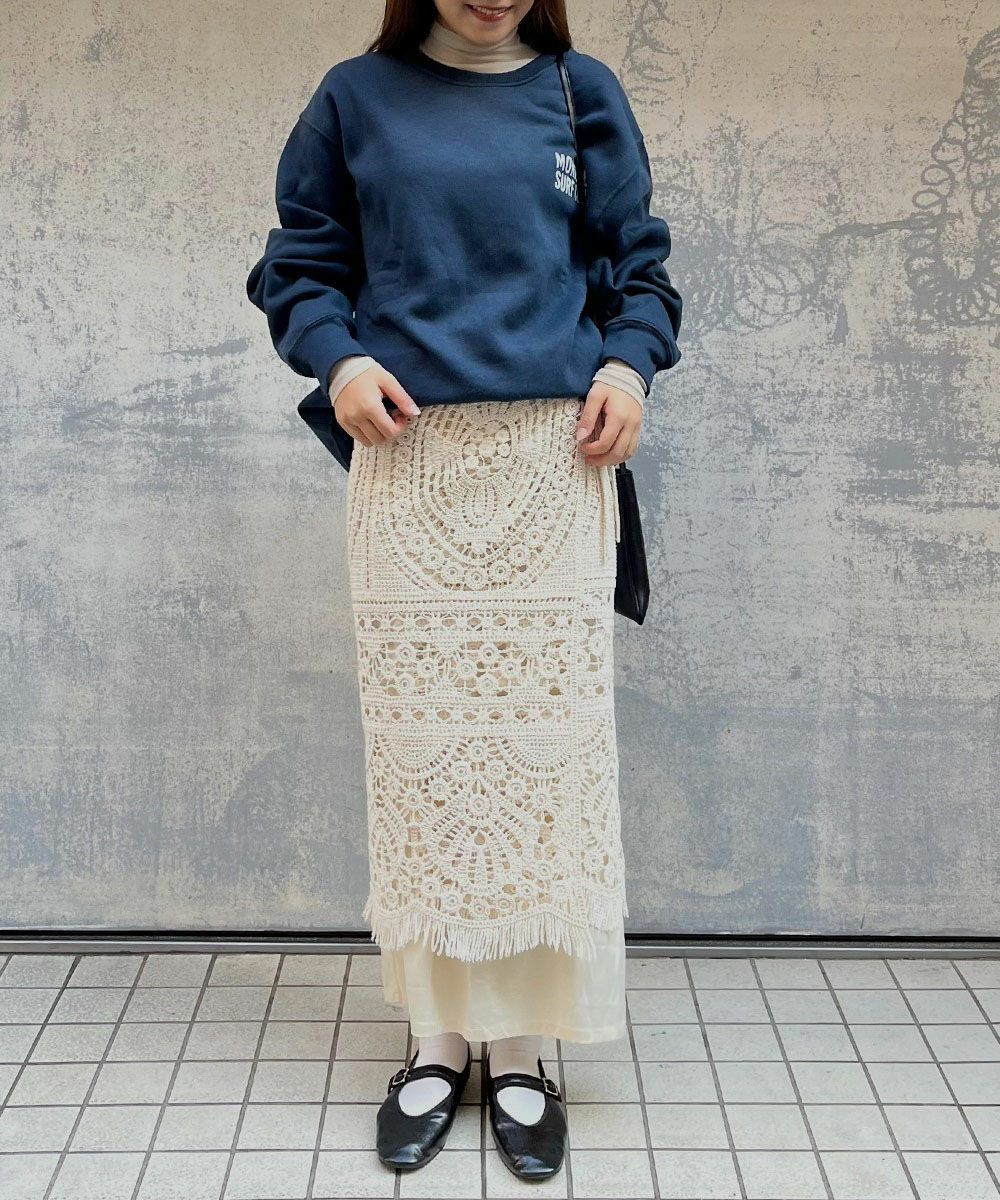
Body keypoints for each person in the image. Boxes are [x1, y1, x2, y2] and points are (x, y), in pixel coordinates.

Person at [246, 0, 682, 1181]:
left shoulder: (578, 92)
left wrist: (627, 367)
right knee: (425, 758)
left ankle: (526, 1050)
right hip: (411, 460)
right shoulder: (355, 97)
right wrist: (338, 357)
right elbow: (298, 264)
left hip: (554, 461)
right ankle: (436, 1041)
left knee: (544, 764)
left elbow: (637, 268)